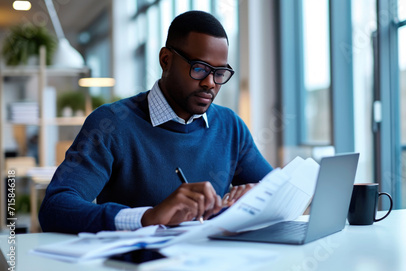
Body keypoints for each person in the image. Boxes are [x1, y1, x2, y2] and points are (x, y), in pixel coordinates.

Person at [38, 10, 273, 234]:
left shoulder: (230, 126)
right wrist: (146, 217)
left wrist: (260, 196)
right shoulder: (111, 124)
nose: (210, 83)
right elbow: (55, 208)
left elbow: (277, 190)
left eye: (219, 73)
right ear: (166, 60)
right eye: (199, 68)